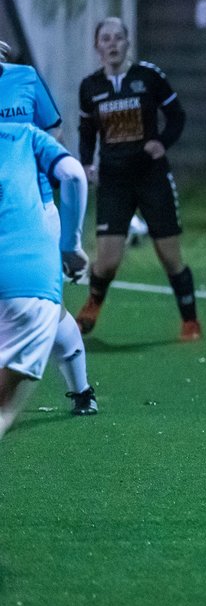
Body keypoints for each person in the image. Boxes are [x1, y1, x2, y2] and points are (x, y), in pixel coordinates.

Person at [74, 18, 202, 341]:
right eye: (106, 39)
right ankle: (92, 305)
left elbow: (177, 116)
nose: (113, 44)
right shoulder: (90, 87)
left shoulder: (149, 77)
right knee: (106, 262)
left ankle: (190, 321)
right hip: (114, 181)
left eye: (119, 38)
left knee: (170, 257)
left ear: (128, 43)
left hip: (151, 177)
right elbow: (87, 131)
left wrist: (163, 142)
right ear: (97, 46)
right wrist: (87, 163)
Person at [0, 42, 98, 414]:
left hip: (32, 207)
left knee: (42, 304)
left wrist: (28, 162)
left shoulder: (24, 79)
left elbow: (53, 132)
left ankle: (81, 389)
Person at [0, 122, 90, 440]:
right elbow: (74, 174)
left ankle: (82, 390)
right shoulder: (25, 134)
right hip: (27, 277)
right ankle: (82, 390)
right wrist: (70, 245)